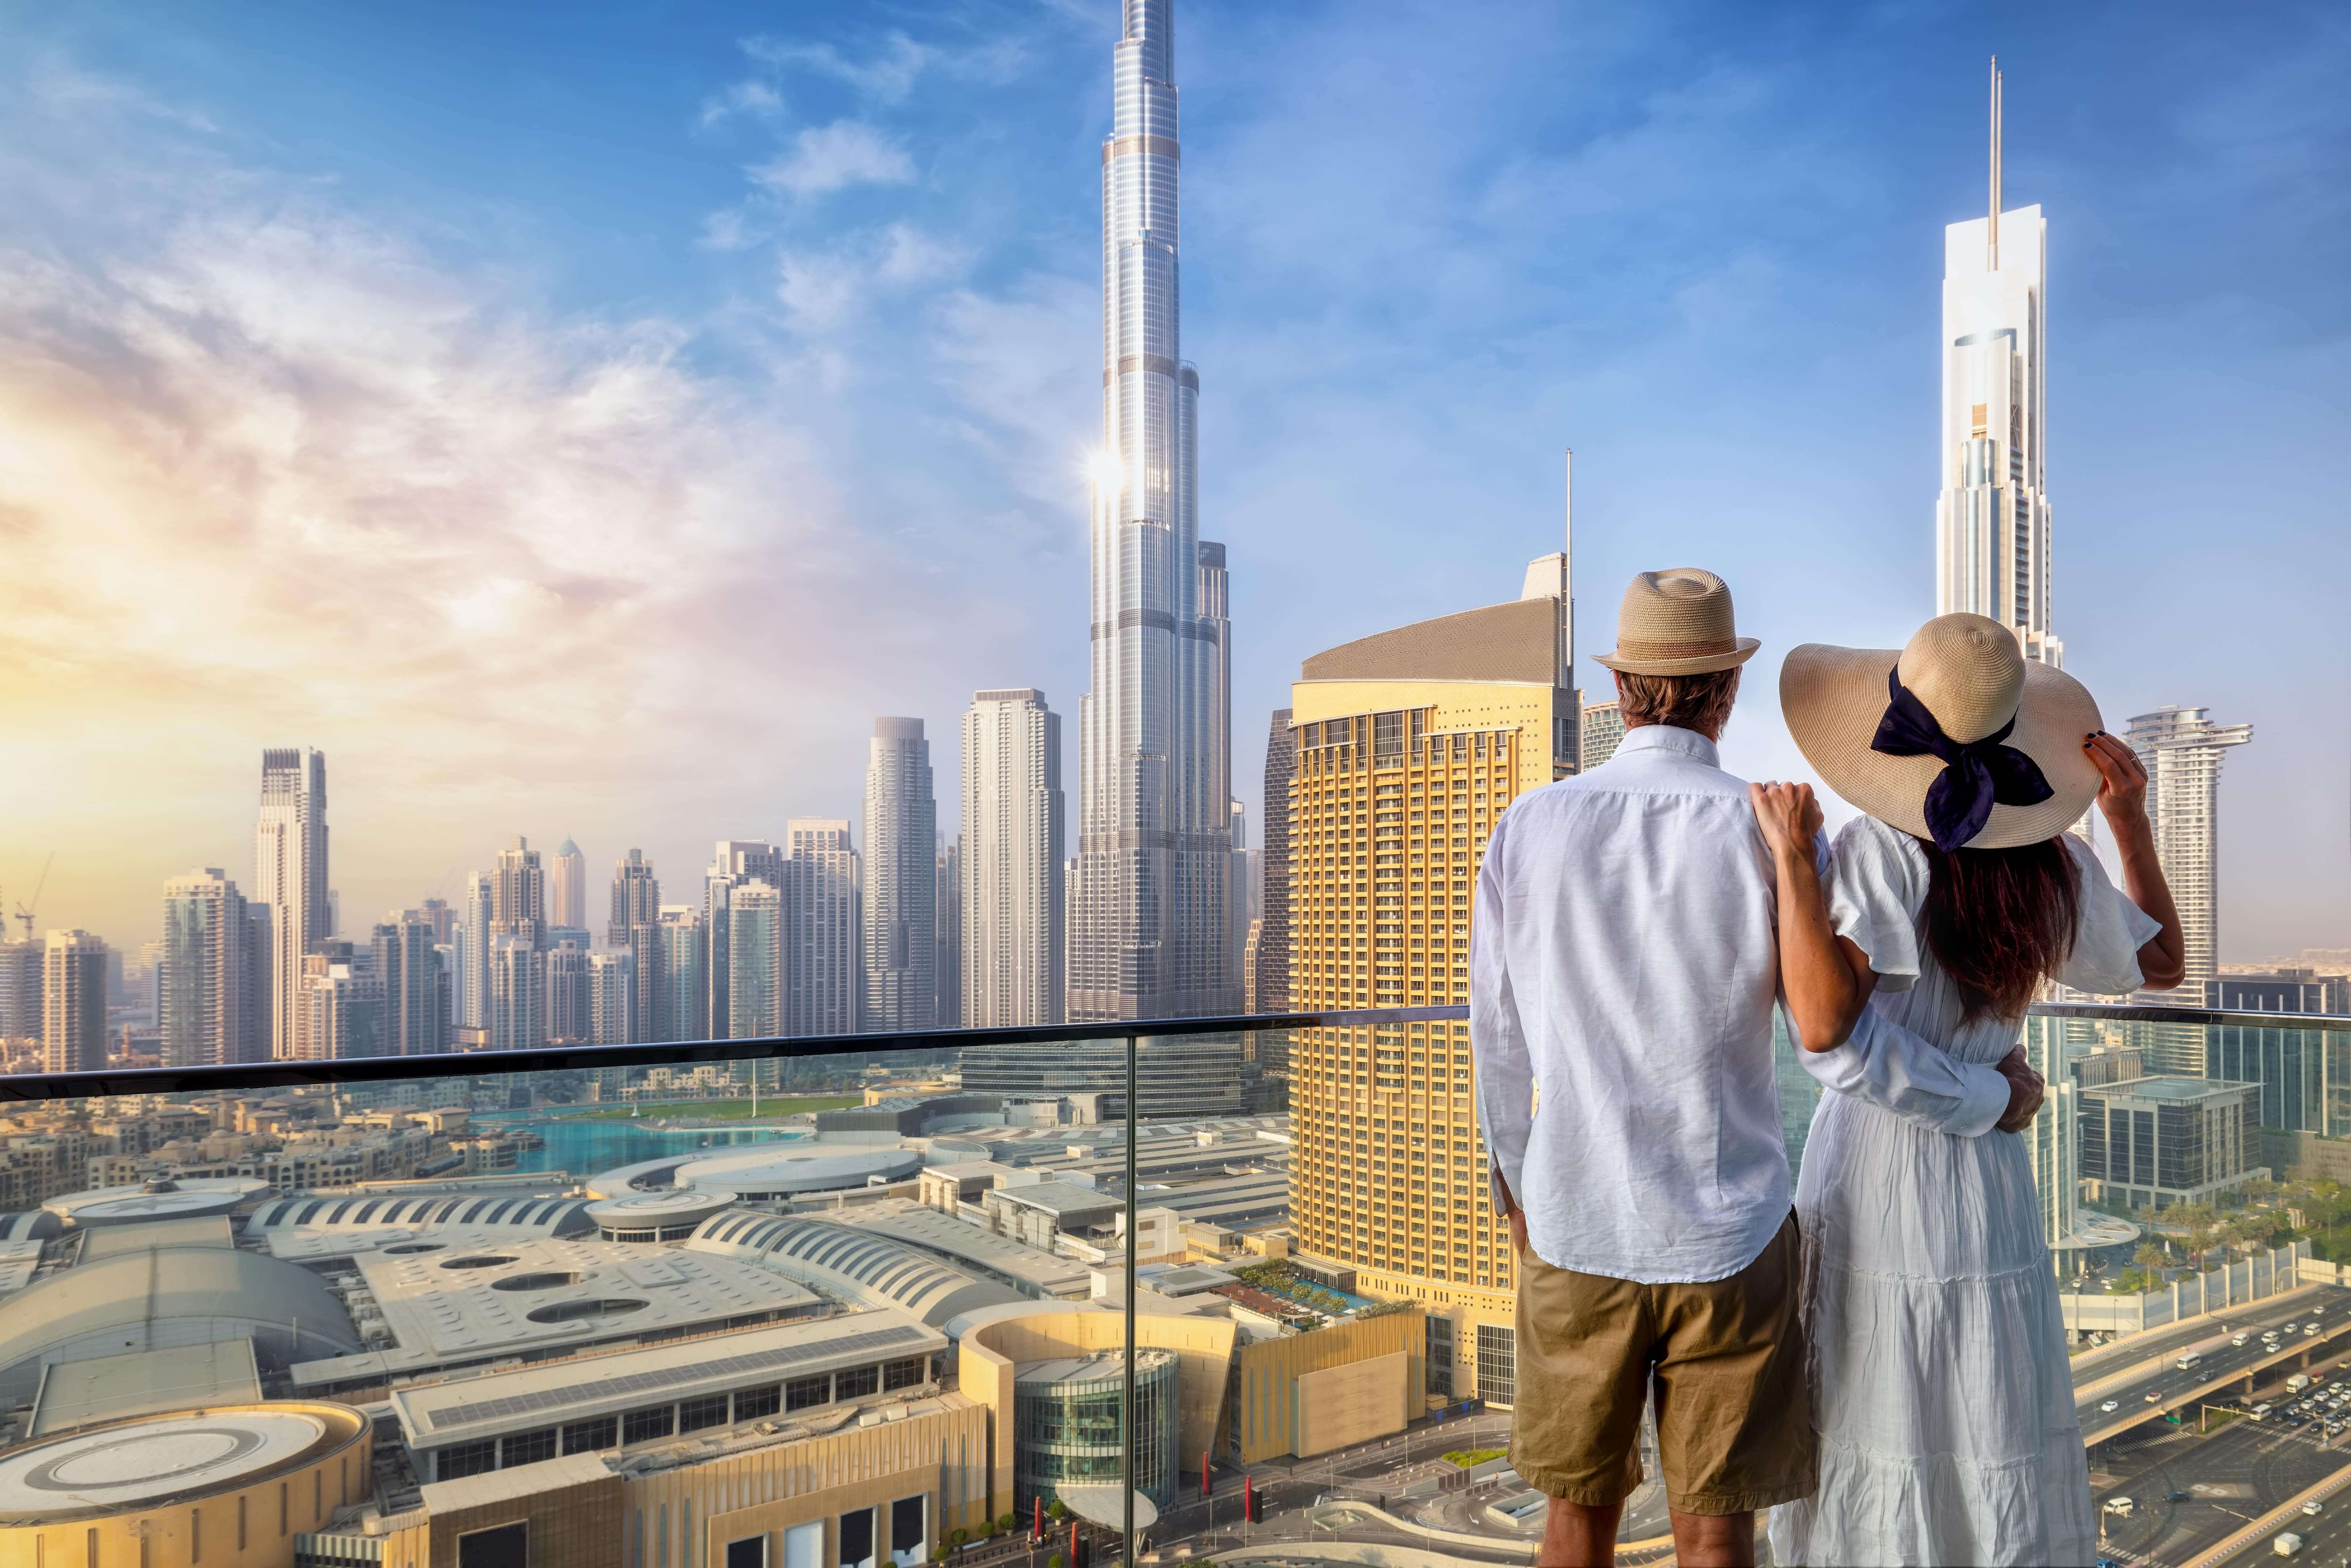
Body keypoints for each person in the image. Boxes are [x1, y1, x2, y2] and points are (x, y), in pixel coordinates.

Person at [1474, 571, 2045, 1568]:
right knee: (1718, 1531)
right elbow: (1829, 1024)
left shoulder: (1529, 826)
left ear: (1618, 688)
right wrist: (1989, 1085)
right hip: (1731, 1232)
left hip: (1574, 1221)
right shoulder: (1775, 830)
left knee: (1574, 1520)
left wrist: (1513, 1185)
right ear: (1726, 691)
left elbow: (1497, 1031)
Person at [1756, 612, 2186, 1567]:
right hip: (1985, 1177)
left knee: (1872, 1402)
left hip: (1873, 1166)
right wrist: (2125, 818)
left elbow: (1832, 1040)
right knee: (1986, 1398)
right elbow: (2161, 962)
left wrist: (1983, 1098)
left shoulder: (1871, 854)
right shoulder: (2053, 865)